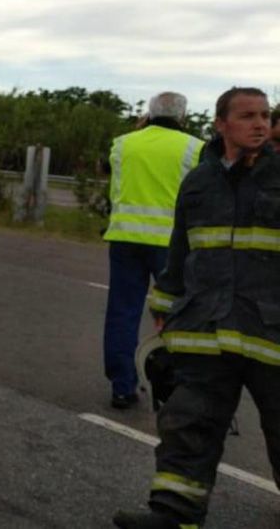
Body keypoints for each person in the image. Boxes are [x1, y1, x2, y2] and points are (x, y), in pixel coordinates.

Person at [114, 87, 279, 529]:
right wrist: (165, 305)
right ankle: (173, 514)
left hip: (271, 331)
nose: (259, 123)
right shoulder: (199, 182)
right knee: (188, 424)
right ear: (220, 124)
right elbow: (180, 249)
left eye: (265, 115)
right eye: (247, 116)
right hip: (206, 326)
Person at [102, 93, 205, 409]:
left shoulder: (122, 144)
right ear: (183, 115)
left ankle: (122, 387)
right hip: (172, 244)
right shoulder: (194, 148)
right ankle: (173, 386)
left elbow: (114, 188)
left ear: (150, 112)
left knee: (122, 312)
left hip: (125, 239)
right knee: (178, 315)